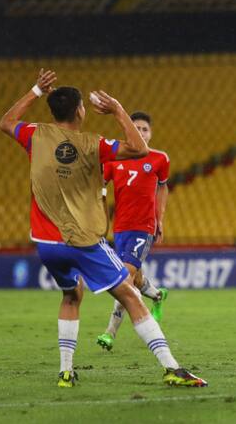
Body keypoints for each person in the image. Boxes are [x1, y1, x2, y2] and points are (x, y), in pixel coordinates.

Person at [0, 69, 206, 387]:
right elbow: (139, 149)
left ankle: (65, 372)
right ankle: (172, 368)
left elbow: (5, 122)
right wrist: (118, 110)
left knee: (71, 295)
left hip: (46, 242)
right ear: (80, 110)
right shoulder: (92, 144)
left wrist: (35, 91)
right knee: (130, 295)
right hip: (81, 240)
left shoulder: (34, 135)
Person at [96, 111, 170, 352]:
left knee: (124, 278)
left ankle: (110, 333)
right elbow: (99, 187)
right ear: (127, 131)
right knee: (135, 278)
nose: (140, 132)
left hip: (144, 227)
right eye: (135, 128)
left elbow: (162, 188)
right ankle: (157, 295)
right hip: (120, 228)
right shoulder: (114, 161)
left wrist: (160, 219)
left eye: (144, 129)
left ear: (151, 134)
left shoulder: (159, 159)